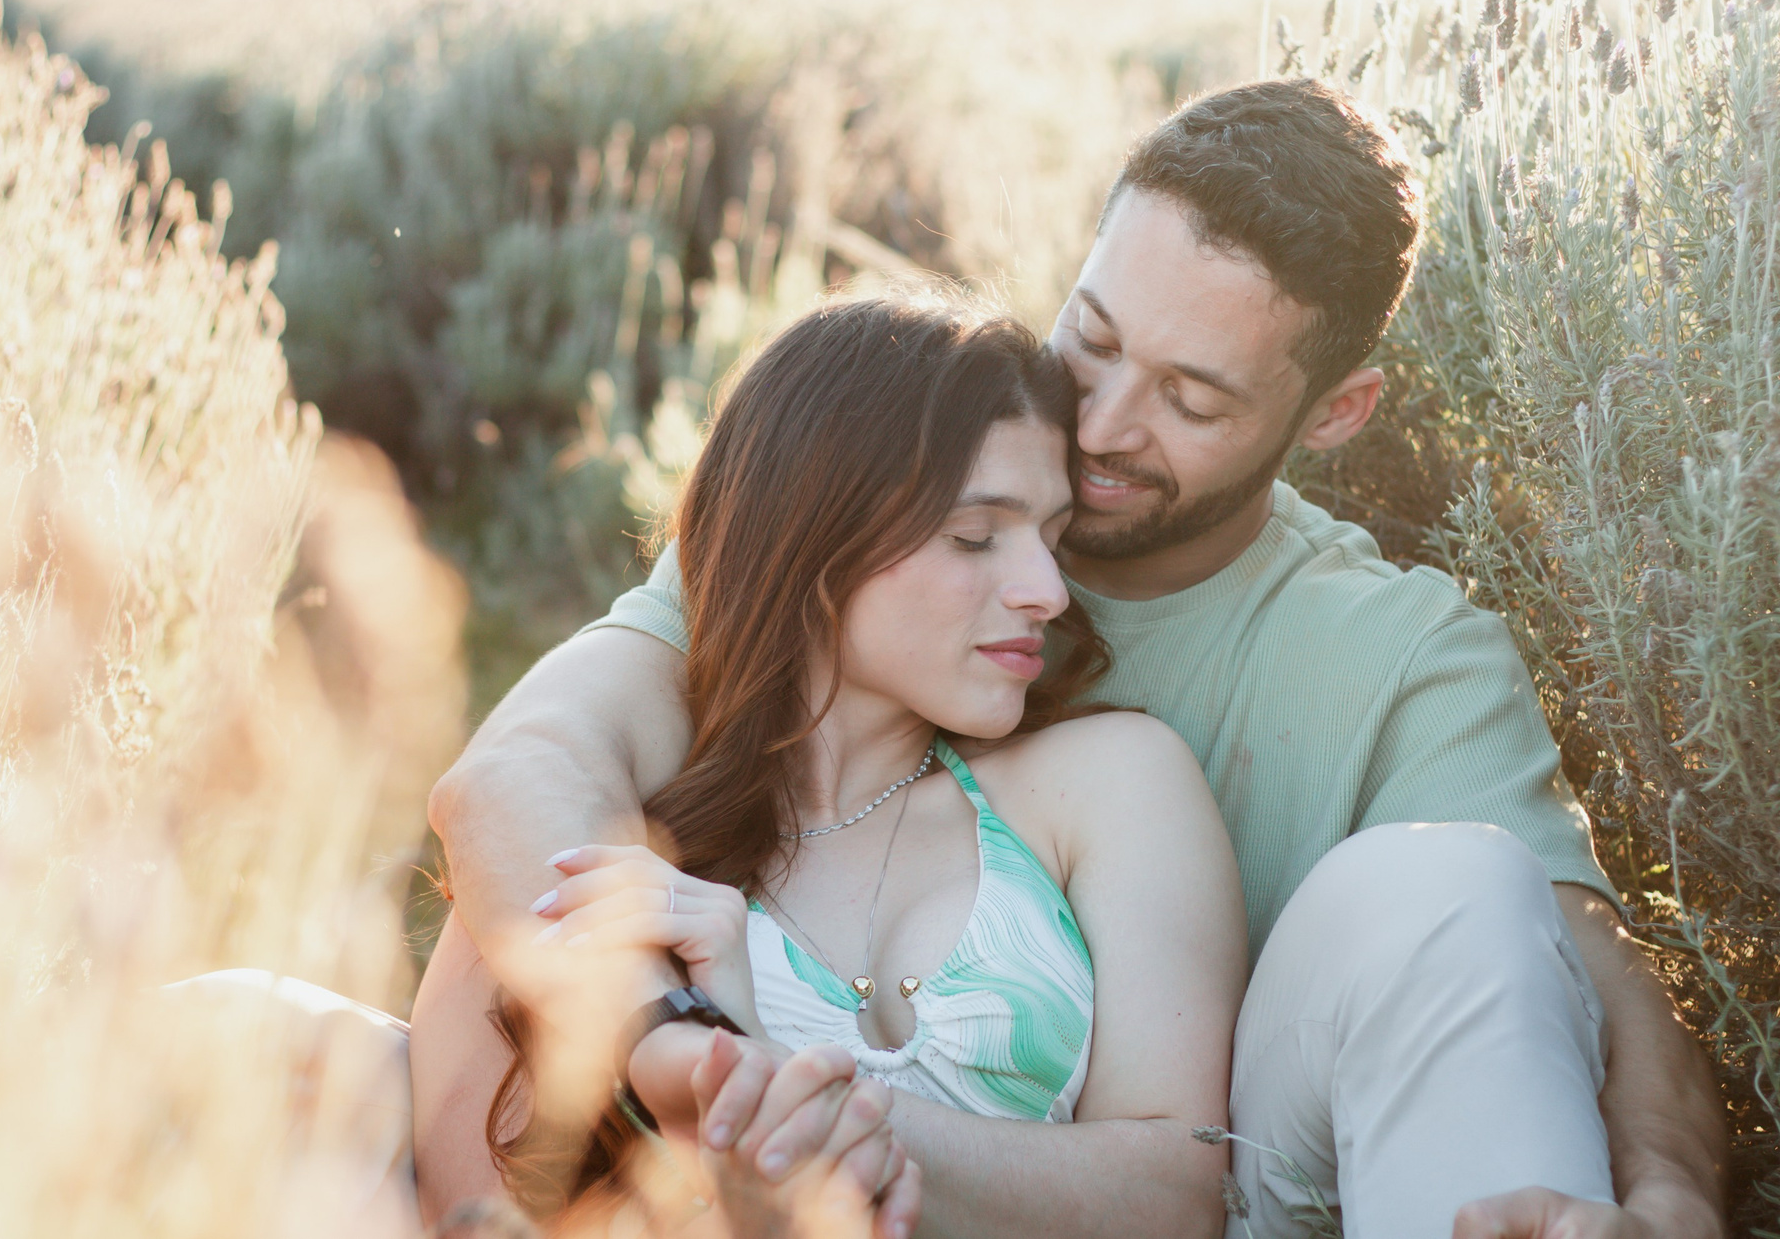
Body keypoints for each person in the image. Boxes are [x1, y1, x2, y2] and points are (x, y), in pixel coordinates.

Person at [417, 78, 1730, 1239]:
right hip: (828, 1156)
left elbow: (1585, 970)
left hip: (1253, 1166)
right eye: (1092, 338)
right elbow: (524, 775)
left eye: (1191, 398)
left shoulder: (1397, 656)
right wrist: (677, 1045)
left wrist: (1673, 1197)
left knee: (1451, 881)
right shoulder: (879, 507)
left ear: (1334, 412)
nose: (1099, 423)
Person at [480, 290, 1244, 1235]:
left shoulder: (1109, 781)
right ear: (816, 532)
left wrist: (774, 1087)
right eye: (975, 536)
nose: (1047, 591)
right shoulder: (622, 841)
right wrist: (702, 1082)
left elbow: (1176, 1197)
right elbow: (479, 1201)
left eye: (1053, 538)